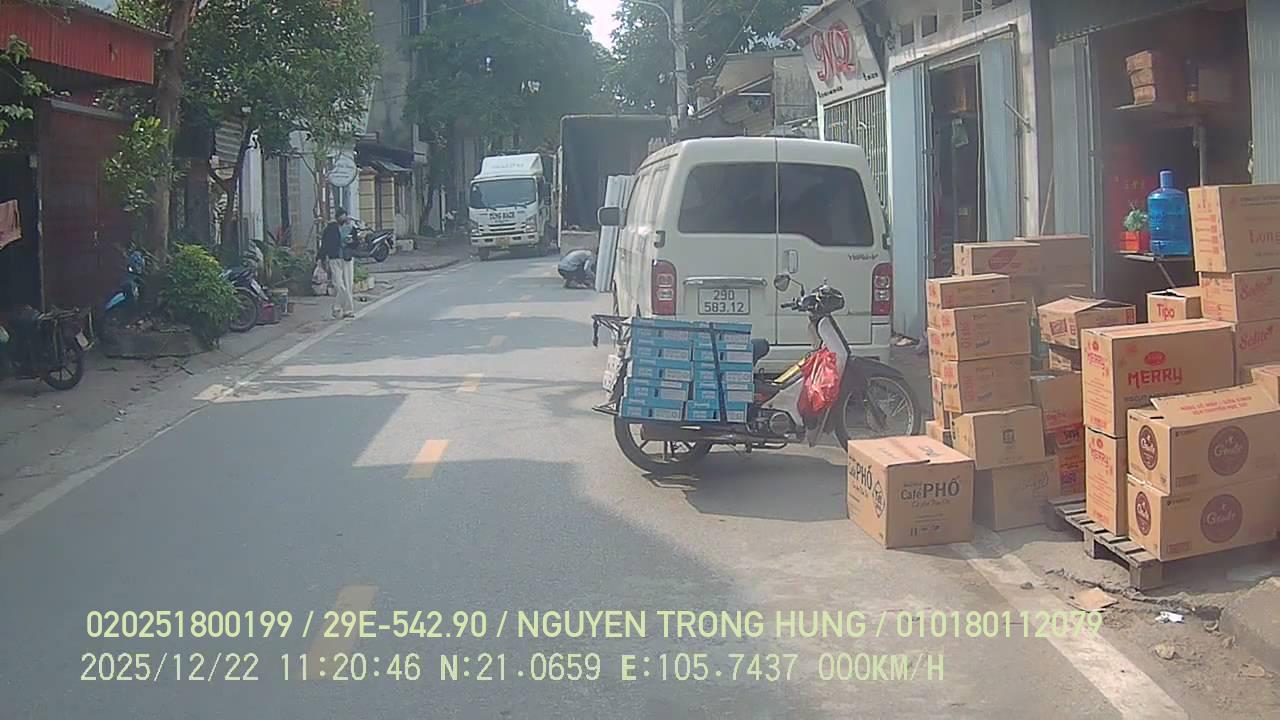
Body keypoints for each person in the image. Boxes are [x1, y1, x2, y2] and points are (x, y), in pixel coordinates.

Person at [319, 208, 356, 318]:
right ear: (337, 217)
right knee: (338, 284)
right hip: (334, 258)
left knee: (348, 285)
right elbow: (324, 245)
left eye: (344, 216)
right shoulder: (330, 229)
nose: (343, 218)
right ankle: (338, 307)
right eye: (341, 216)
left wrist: (352, 242)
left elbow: (356, 244)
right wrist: (321, 258)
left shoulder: (351, 228)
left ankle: (346, 310)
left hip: (347, 258)